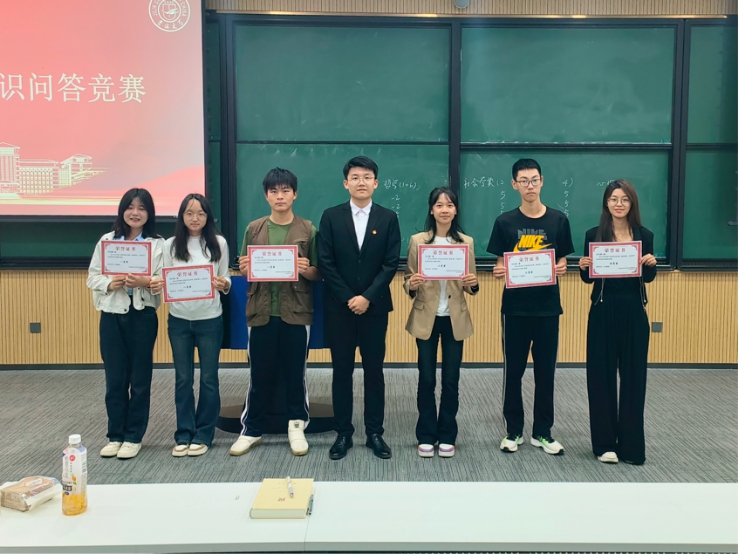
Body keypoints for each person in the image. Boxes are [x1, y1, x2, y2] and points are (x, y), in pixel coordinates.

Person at [229, 168, 320, 457]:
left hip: (296, 311)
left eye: (285, 191)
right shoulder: (254, 229)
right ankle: (251, 429)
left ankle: (296, 426)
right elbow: (245, 269)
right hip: (261, 311)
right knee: (259, 374)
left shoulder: (308, 229)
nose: (280, 196)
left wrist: (307, 269)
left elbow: (318, 272)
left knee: (296, 374)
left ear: (295, 194)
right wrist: (245, 268)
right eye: (274, 191)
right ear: (266, 195)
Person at [487, 158, 574, 456]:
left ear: (542, 181)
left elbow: (563, 259)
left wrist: (562, 267)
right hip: (515, 310)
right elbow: (500, 263)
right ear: (514, 185)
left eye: (534, 180)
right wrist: (499, 271)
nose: (530, 186)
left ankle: (543, 432)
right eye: (523, 181)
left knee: (545, 373)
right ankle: (513, 431)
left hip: (548, 308)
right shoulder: (504, 222)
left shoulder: (558, 220)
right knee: (513, 372)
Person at [318, 155, 401, 460]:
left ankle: (375, 433)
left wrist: (367, 297)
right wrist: (348, 297)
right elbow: (325, 262)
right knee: (341, 372)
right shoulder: (330, 216)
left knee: (374, 371)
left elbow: (390, 263)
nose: (361, 182)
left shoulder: (388, 217)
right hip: (339, 309)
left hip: (374, 308)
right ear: (346, 183)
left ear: (375, 183)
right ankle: (343, 433)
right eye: (355, 177)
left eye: (367, 177)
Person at [578, 180, 657, 465]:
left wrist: (651, 265)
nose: (619, 204)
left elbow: (647, 278)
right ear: (606, 203)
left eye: (624, 199)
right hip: (603, 310)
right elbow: (588, 279)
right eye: (614, 199)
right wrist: (583, 267)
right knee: (601, 378)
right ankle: (604, 445)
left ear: (632, 203)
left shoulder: (644, 235)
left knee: (635, 379)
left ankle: (632, 446)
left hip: (634, 312)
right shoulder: (594, 235)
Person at [87, 188, 164, 460]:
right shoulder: (107, 241)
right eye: (130, 207)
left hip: (142, 316)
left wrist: (146, 282)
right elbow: (92, 277)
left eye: (142, 208)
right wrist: (110, 283)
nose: (135, 213)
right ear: (122, 211)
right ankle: (115, 435)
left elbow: (163, 280)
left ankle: (133, 437)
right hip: (112, 315)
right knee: (115, 379)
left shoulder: (158, 244)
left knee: (140, 380)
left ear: (149, 213)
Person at [404, 187, 478, 458]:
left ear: (456, 210)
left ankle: (447, 434)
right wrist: (411, 284)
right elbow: (408, 278)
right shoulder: (418, 241)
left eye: (449, 205)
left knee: (450, 380)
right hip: (426, 317)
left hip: (454, 318)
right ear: (431, 209)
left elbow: (470, 284)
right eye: (439, 205)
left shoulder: (466, 242)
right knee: (426, 379)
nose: (444, 209)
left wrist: (473, 283)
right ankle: (426, 434)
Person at [163, 194, 231, 458]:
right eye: (189, 213)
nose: (195, 218)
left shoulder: (218, 243)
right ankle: (183, 433)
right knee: (183, 379)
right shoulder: (170, 245)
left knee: (209, 379)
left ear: (207, 217)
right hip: (179, 320)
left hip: (210, 319)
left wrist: (224, 284)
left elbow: (225, 277)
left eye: (200, 213)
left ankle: (204, 434)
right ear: (182, 216)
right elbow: (164, 279)